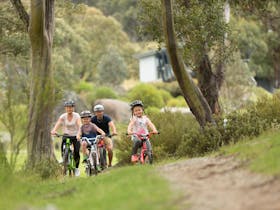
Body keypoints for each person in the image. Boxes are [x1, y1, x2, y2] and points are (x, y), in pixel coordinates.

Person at [51, 100, 82, 176]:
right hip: (66, 135)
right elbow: (58, 124)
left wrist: (79, 134)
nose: (69, 109)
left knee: (77, 152)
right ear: (65, 108)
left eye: (71, 108)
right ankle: (64, 159)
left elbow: (80, 125)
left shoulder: (77, 116)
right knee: (63, 148)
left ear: (73, 108)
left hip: (75, 136)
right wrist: (54, 130)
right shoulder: (63, 116)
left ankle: (76, 168)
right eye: (68, 108)